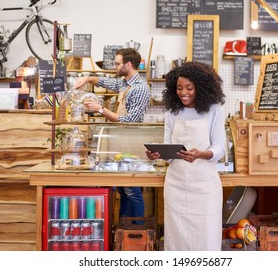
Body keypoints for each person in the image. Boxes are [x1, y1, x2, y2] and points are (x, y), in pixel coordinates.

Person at [146, 61, 226, 251]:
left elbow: (220, 148)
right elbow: (170, 153)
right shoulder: (173, 112)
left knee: (206, 238)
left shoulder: (215, 110)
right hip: (176, 185)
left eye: (189, 88)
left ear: (201, 87)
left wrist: (201, 154)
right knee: (176, 239)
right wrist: (157, 154)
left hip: (205, 186)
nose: (184, 93)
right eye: (179, 88)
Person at [74, 48, 150, 219]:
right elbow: (105, 82)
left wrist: (100, 109)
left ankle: (137, 229)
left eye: (117, 64)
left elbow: (130, 120)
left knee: (132, 191)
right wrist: (87, 78)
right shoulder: (125, 83)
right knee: (123, 190)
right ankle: (124, 226)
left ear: (128, 65)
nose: (115, 67)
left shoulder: (140, 88)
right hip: (121, 142)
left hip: (132, 143)